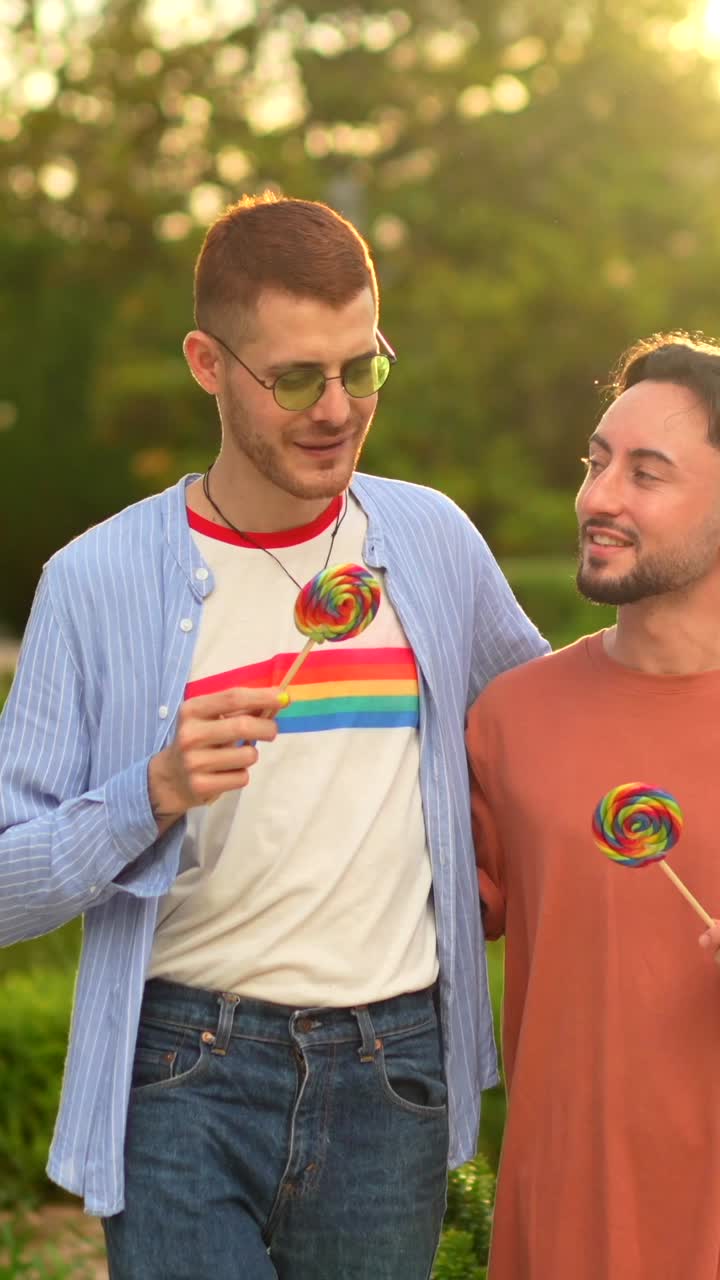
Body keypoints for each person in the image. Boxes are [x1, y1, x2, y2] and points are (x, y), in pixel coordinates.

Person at [0, 192, 547, 1280]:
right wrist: (146, 791)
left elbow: (555, 733)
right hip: (181, 1071)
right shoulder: (96, 582)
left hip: (391, 1069)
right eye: (297, 376)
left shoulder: (430, 541)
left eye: (365, 367)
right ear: (209, 362)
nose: (337, 407)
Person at [467, 331, 720, 1280]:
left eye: (647, 473)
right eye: (597, 460)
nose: (599, 497)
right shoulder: (512, 721)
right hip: (559, 1237)